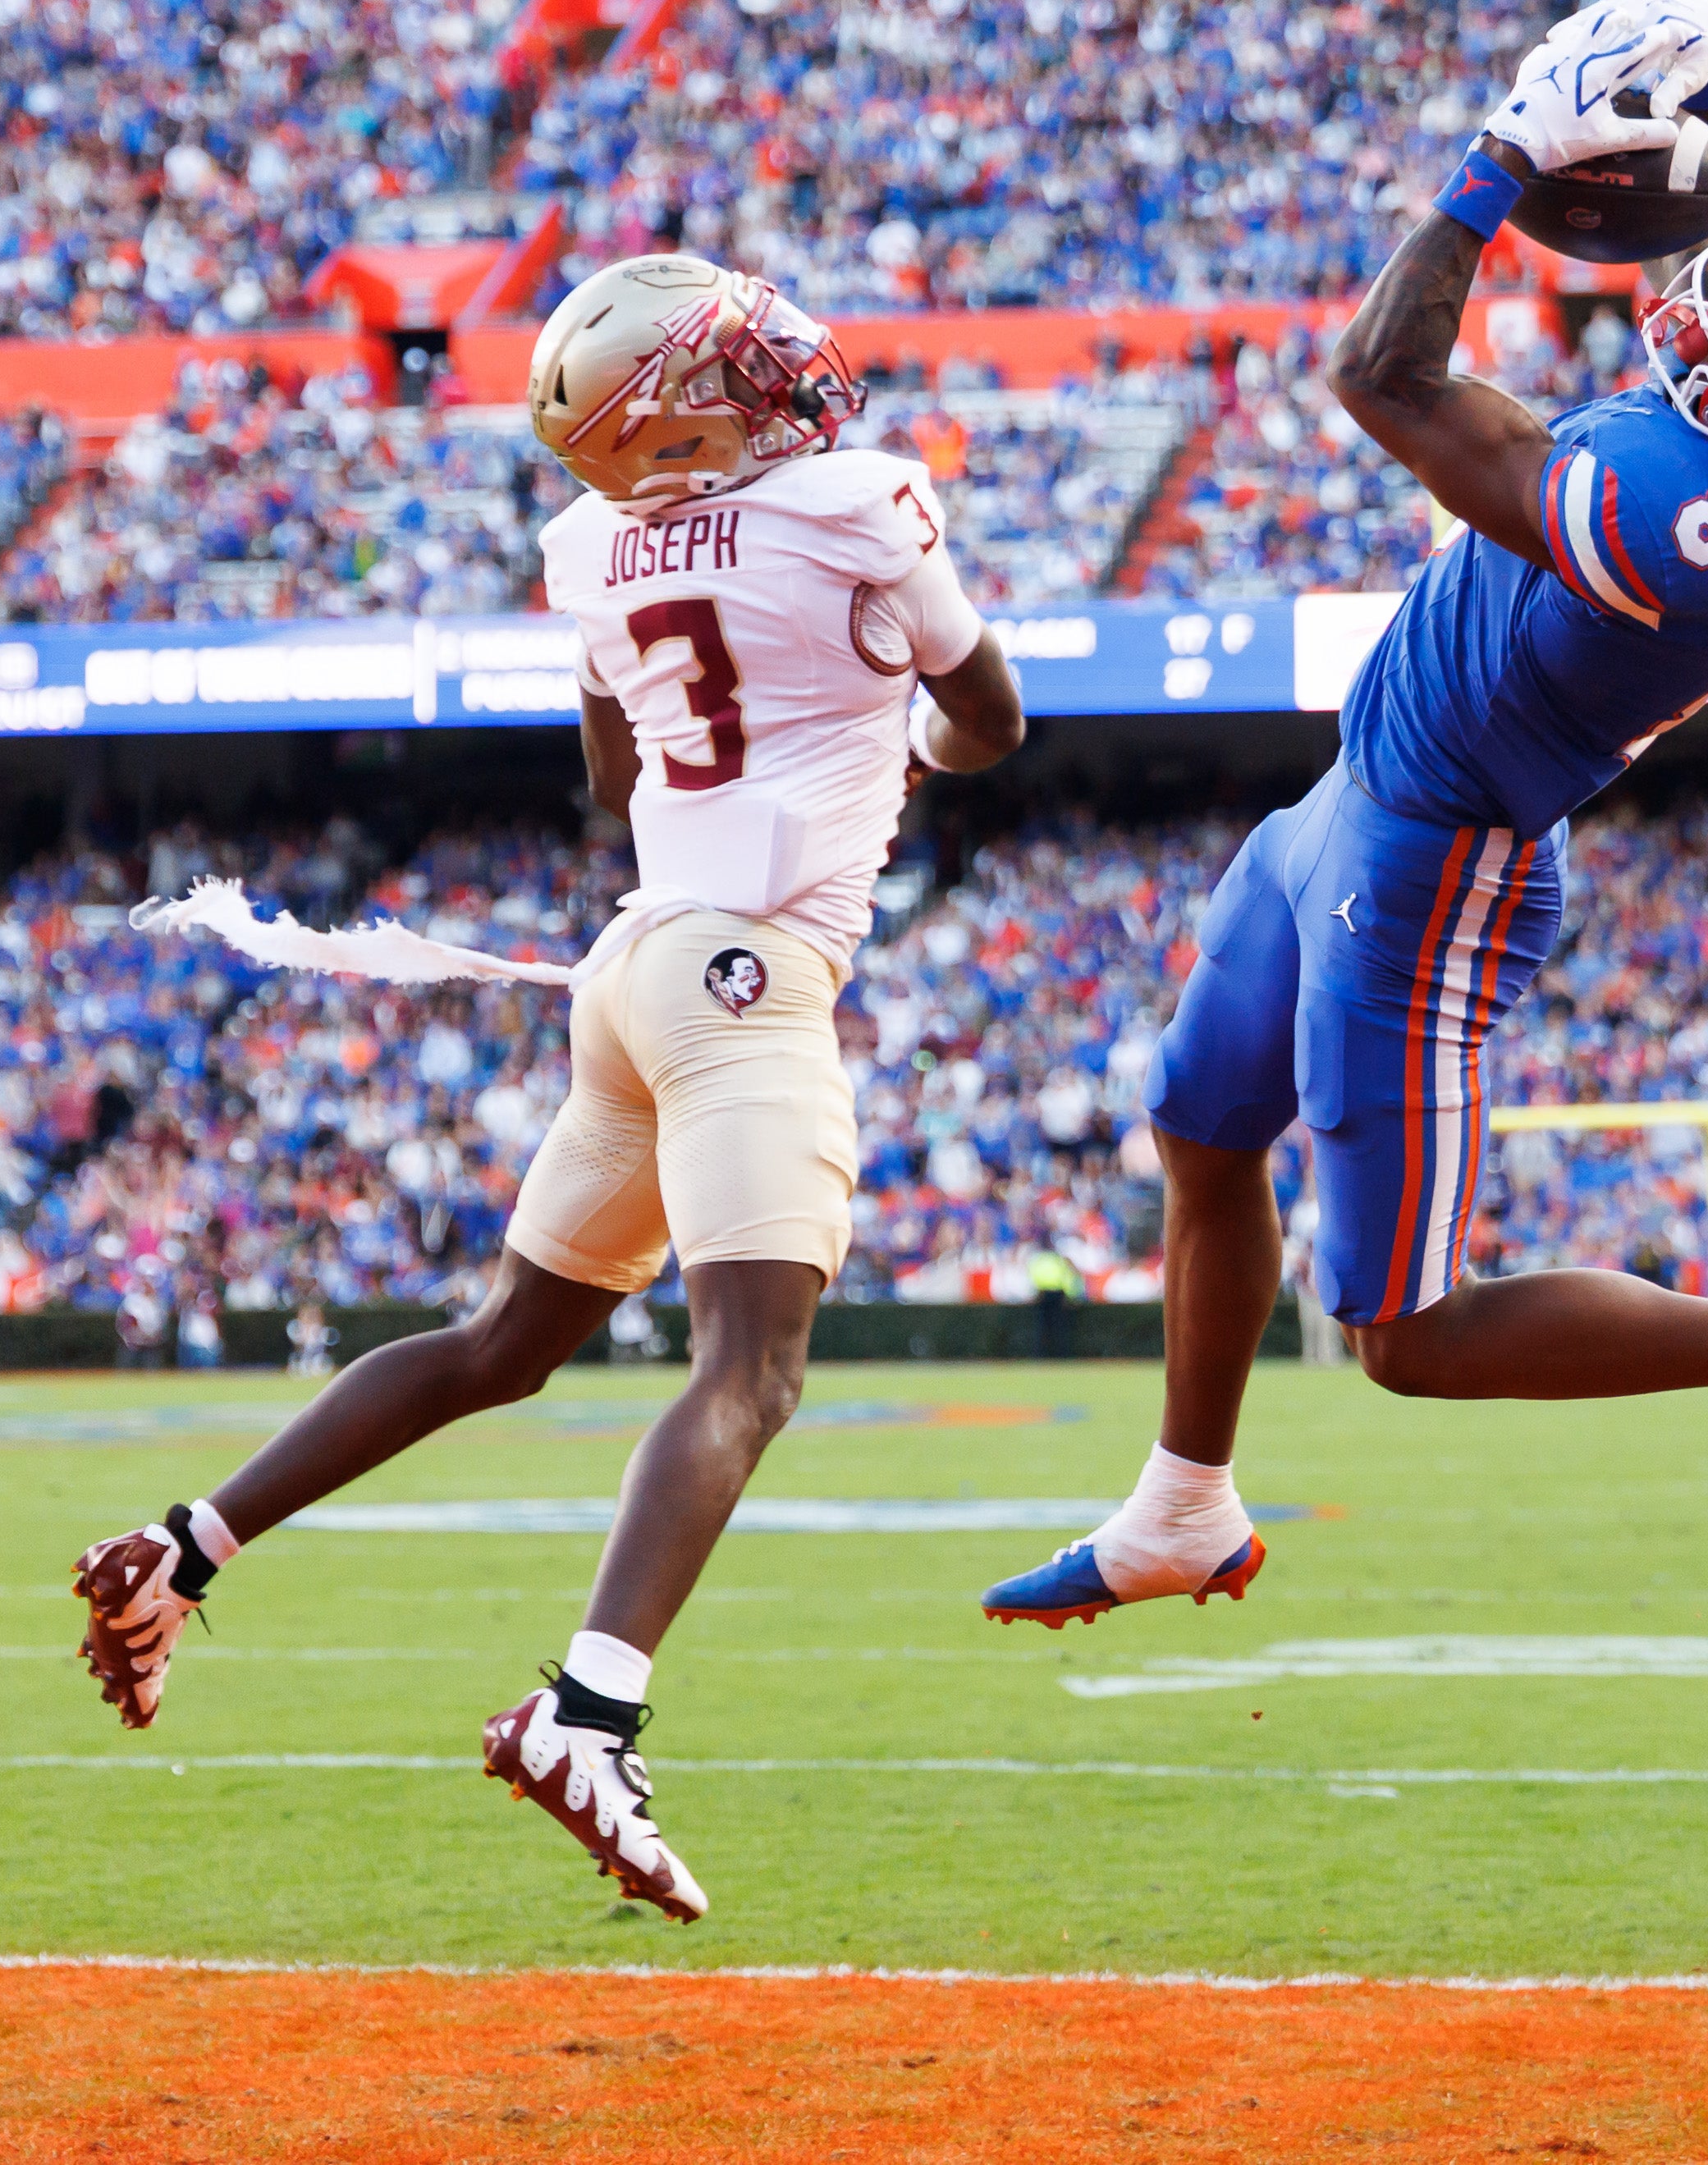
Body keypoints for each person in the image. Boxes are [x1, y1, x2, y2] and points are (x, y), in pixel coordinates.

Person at [981, 0, 1708, 1632]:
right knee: (1197, 1130)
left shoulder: (1688, 528)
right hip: (1353, 797)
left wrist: (1501, 165)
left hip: (1427, 864)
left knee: (1405, 1335)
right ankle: (1180, 1504)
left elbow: (1379, 374)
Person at [76, 251, 1025, 1923]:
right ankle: (588, 1713)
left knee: (499, 1344)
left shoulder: (584, 546)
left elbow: (612, 774)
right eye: (735, 364)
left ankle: (187, 1544)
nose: (779, 371)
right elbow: (991, 720)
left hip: (635, 966)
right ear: (677, 409)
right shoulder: (864, 503)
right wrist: (891, 725)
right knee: (750, 1374)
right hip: (744, 982)